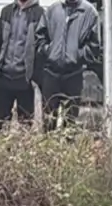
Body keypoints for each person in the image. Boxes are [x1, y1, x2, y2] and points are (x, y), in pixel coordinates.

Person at [34, 0, 103, 128]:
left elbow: (94, 46)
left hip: (74, 75)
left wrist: (77, 55)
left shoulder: (89, 13)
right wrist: (49, 51)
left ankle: (68, 146)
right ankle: (49, 146)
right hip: (51, 74)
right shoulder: (52, 10)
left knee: (71, 123)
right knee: (49, 122)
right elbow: (39, 38)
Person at [0, 0, 46, 133]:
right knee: (0, 125)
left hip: (25, 79)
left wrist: (35, 77)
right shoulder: (6, 11)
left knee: (25, 126)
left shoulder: (39, 14)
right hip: (3, 77)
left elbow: (41, 48)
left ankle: (21, 153)